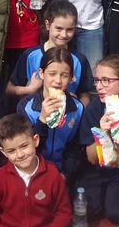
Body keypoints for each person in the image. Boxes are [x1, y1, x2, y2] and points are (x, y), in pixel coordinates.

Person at [77, 54, 119, 223]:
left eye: (106, 80)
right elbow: (91, 158)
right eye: (97, 80)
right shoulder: (94, 109)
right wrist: (102, 133)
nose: (99, 86)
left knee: (116, 214)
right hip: (96, 170)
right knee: (87, 211)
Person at [15, 46, 85, 177]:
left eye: (64, 75)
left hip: (62, 172)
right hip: (33, 171)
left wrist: (65, 174)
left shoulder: (77, 108)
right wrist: (42, 119)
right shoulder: (26, 106)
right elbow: (26, 150)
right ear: (41, 73)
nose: (58, 81)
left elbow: (75, 149)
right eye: (52, 74)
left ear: (71, 78)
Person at [6, 0, 93, 104]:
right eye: (58, 28)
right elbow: (9, 89)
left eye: (70, 30)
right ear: (48, 24)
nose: (64, 34)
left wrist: (77, 107)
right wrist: (29, 90)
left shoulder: (80, 60)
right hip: (32, 116)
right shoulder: (30, 56)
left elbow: (85, 95)